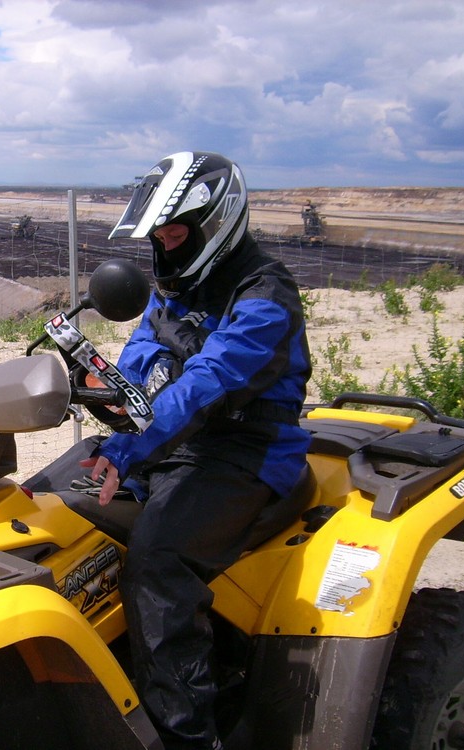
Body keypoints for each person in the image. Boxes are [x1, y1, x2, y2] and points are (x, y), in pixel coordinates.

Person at [82, 151, 312, 749]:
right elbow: (137, 360)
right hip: (175, 441)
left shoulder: (266, 295)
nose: (166, 245)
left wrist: (134, 446)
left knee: (157, 564)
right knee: (58, 509)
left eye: (177, 231)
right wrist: (102, 398)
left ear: (217, 222)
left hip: (248, 452)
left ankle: (187, 735)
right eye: (159, 235)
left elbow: (208, 384)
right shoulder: (173, 288)